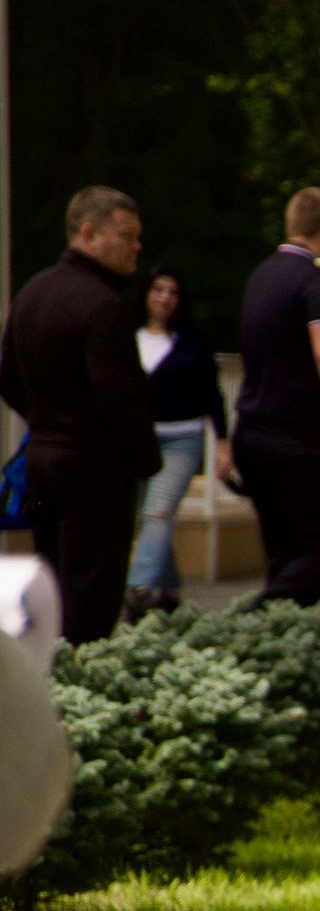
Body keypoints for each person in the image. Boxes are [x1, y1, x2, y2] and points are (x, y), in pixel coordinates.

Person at [0, 186, 158, 645]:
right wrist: (145, 458)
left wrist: (46, 422)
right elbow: (120, 399)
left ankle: (49, 684)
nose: (136, 246)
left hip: (44, 464)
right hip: (95, 471)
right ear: (88, 233)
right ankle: (79, 694)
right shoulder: (102, 305)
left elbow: (7, 376)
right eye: (127, 235)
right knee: (91, 599)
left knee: (50, 589)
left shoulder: (33, 292)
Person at [229, 187, 320, 612]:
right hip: (298, 437)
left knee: (285, 550)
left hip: (251, 432)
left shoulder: (261, 276)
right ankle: (258, 618)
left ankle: (274, 648)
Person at [124, 268, 226, 618]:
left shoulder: (193, 342)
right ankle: (168, 591)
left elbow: (212, 394)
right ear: (146, 294)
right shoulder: (126, 336)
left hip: (182, 439)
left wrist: (223, 442)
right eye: (158, 289)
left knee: (158, 510)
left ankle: (139, 589)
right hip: (138, 438)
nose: (165, 297)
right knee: (146, 515)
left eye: (173, 292)